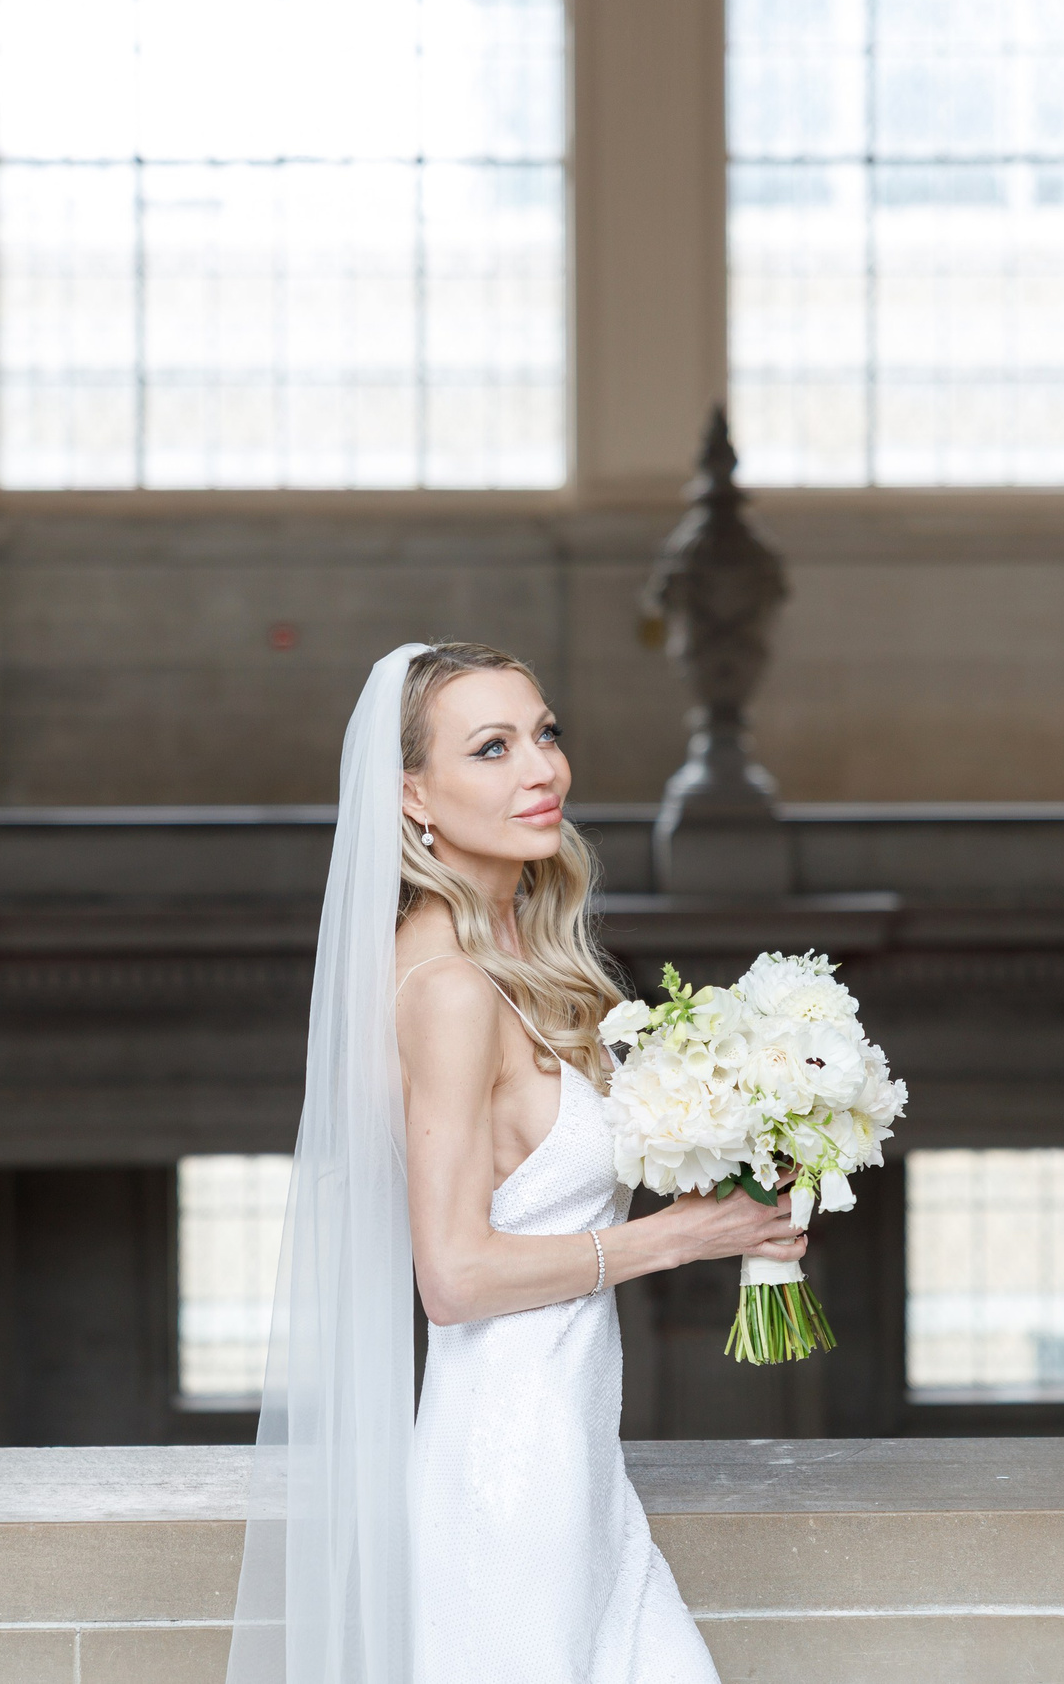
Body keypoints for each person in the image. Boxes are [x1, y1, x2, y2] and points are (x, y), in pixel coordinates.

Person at [226, 642, 806, 1684]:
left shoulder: (519, 960)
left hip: (578, 1474)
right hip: (509, 1483)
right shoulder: (448, 989)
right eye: (491, 748)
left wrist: (740, 1156)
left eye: (544, 733)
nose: (541, 769)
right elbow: (453, 1278)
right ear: (412, 795)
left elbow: (543, 1183)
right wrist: (681, 1238)